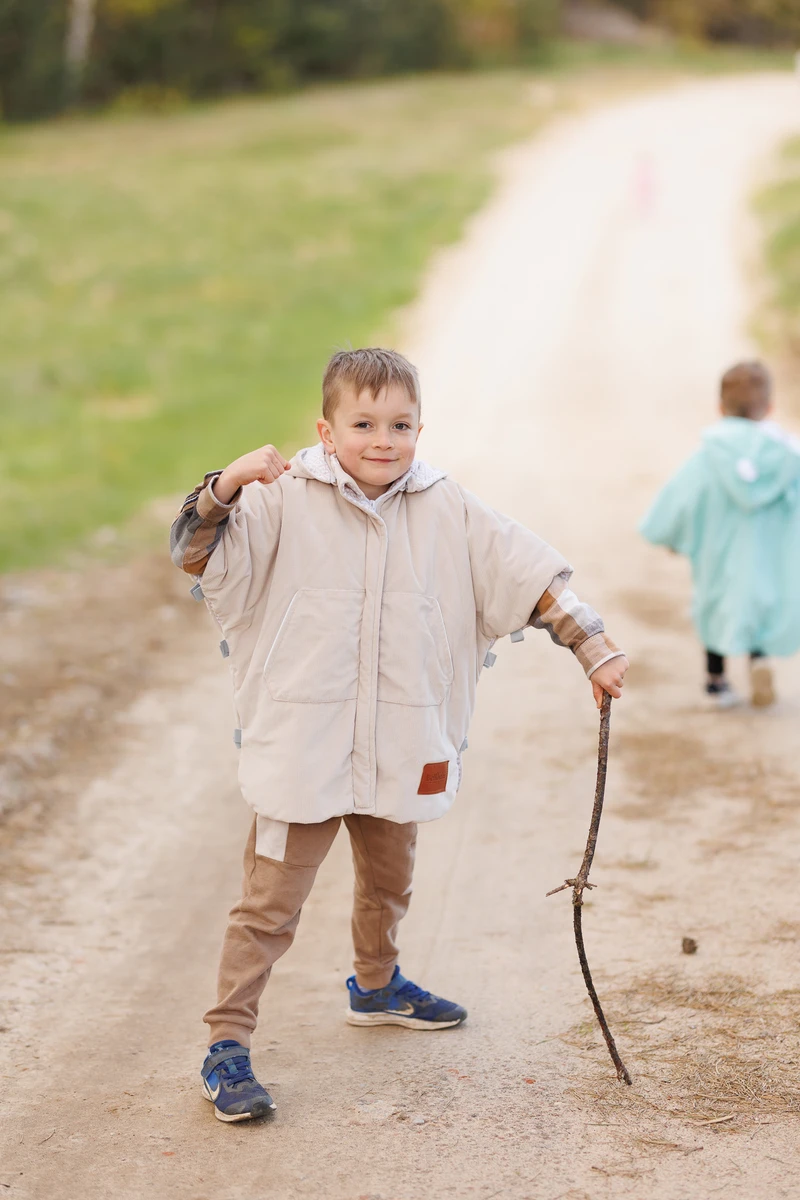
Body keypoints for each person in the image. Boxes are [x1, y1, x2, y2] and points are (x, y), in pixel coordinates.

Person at [170, 347, 628, 1123]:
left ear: (421, 428)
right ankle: (227, 1045)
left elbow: (524, 571)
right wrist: (226, 485)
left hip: (399, 738)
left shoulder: (446, 507)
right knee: (268, 905)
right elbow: (193, 552)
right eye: (363, 424)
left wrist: (593, 645)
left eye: (401, 424)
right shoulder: (281, 501)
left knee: (390, 879)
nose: (383, 440)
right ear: (326, 427)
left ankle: (377, 986)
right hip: (302, 744)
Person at [640, 360, 800, 709]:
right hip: (766, 556)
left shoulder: (708, 457)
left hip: (718, 553)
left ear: (720, 408)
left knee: (714, 611)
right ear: (769, 408)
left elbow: (678, 499)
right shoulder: (785, 455)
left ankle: (717, 682)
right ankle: (758, 659)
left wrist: (671, 535)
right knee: (759, 607)